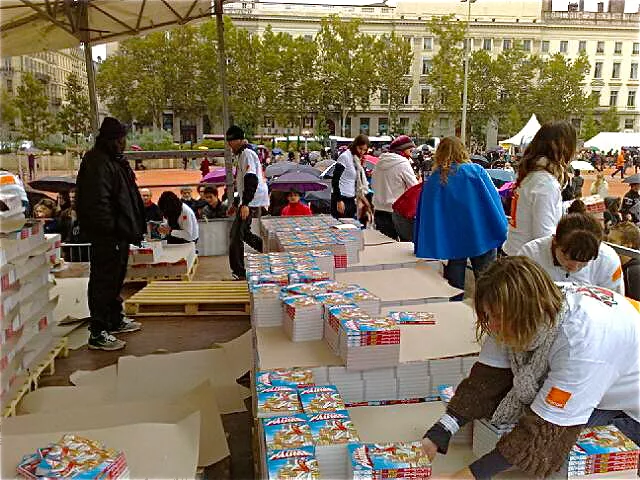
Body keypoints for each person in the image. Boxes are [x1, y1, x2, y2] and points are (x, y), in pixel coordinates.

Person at [421, 256, 640, 479]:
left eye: (498, 318)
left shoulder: (579, 343)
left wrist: (467, 475)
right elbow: (485, 382)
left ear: (526, 314)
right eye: (489, 316)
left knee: (569, 460)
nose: (493, 326)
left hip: (633, 407)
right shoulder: (525, 308)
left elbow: (546, 431)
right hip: (607, 380)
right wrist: (440, 432)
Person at [76, 117, 144, 351]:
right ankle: (98, 331)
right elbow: (97, 202)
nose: (125, 143)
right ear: (114, 140)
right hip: (108, 235)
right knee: (104, 281)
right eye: (123, 138)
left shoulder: (114, 161)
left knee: (115, 279)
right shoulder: (97, 162)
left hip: (119, 232)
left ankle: (114, 319)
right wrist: (110, 229)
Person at [414, 137, 507, 299]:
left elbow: (427, 213)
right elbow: (494, 200)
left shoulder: (435, 180)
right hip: (481, 235)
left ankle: (455, 316)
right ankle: (489, 317)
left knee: (453, 289)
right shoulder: (475, 172)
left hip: (452, 243)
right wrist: (499, 225)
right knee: (488, 286)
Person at [503, 121, 576, 255]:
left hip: (516, 252)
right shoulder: (545, 183)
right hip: (527, 261)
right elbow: (543, 237)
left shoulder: (532, 173)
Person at [518, 213, 624, 294]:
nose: (574, 268)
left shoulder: (608, 261)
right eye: (567, 258)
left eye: (584, 262)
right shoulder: (530, 256)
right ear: (554, 240)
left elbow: (616, 303)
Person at [226, 125, 269, 280]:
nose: (229, 144)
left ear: (239, 140)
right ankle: (269, 251)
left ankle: (239, 271)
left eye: (231, 141)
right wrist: (237, 202)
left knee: (236, 235)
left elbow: (251, 180)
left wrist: (245, 204)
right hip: (249, 200)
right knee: (244, 234)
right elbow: (242, 184)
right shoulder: (242, 155)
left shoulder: (247, 154)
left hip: (252, 200)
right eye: (228, 141)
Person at [372, 135, 419, 239]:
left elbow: (373, 184)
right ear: (403, 149)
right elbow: (414, 188)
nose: (412, 152)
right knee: (402, 249)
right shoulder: (403, 163)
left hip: (379, 211)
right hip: (397, 212)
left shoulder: (379, 162)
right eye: (410, 149)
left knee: (385, 248)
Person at [331, 134, 370, 220]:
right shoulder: (345, 157)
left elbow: (358, 179)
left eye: (364, 150)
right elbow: (335, 179)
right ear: (355, 145)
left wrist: (362, 167)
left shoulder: (357, 159)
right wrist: (338, 200)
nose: (362, 152)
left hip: (352, 198)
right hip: (342, 198)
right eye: (360, 148)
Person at [608, 222, 640, 301]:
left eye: (612, 241)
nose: (608, 245)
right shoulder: (624, 268)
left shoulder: (634, 272)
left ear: (628, 245)